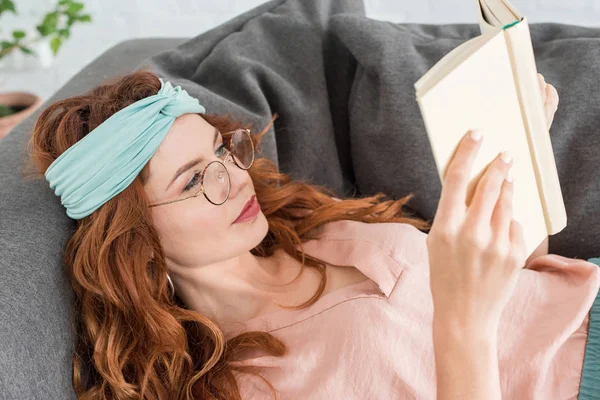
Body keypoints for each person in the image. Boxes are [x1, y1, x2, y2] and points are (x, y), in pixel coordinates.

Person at [27, 69, 599, 400]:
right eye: (196, 178)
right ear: (134, 237)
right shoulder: (246, 384)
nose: (235, 177)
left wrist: (519, 157)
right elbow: (480, 327)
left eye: (221, 151)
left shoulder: (309, 233)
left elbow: (523, 290)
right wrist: (462, 320)